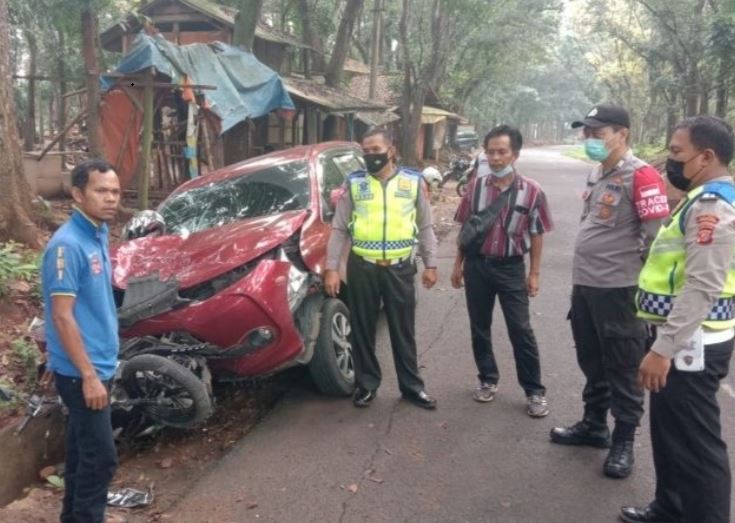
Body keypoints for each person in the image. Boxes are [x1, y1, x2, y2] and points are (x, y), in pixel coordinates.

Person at [620, 116, 735, 523]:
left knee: (697, 445)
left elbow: (703, 286)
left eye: (676, 153)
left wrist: (663, 349)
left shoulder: (712, 206)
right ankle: (670, 507)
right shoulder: (697, 197)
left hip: (693, 343)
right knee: (670, 433)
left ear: (706, 156)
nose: (671, 161)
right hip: (681, 336)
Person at [549, 104, 670, 479]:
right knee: (592, 359)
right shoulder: (597, 173)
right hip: (585, 287)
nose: (589, 140)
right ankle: (594, 425)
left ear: (622, 134)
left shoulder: (643, 176)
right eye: (586, 133)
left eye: (597, 134)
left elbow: (657, 241)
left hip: (619, 292)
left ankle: (623, 442)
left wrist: (641, 285)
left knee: (622, 366)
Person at [323, 128, 439, 409]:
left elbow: (425, 226)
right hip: (362, 267)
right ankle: (367, 385)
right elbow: (339, 228)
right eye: (366, 151)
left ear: (391, 150)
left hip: (400, 268)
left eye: (375, 149)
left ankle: (412, 387)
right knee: (362, 329)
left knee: (403, 330)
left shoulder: (412, 183)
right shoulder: (354, 184)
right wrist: (331, 268)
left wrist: (430, 263)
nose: (370, 155)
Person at [451, 125, 553, 417]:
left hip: (510, 269)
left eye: (502, 152)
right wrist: (458, 265)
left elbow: (537, 233)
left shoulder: (532, 192)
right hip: (477, 266)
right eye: (491, 152)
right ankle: (487, 379)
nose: (495, 158)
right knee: (479, 326)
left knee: (520, 329)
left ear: (515, 155)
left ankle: (534, 391)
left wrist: (534, 273)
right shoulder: (475, 187)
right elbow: (466, 230)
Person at [42, 159, 121, 523]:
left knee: (80, 452)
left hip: (98, 363)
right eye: (100, 191)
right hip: (82, 371)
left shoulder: (98, 233)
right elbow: (61, 315)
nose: (110, 199)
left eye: (115, 192)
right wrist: (88, 375)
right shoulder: (68, 246)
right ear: (77, 194)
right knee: (101, 459)